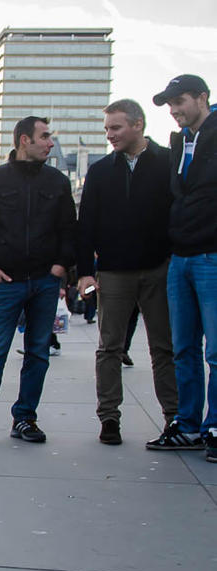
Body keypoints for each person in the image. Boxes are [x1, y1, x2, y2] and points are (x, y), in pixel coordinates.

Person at [0, 116, 76, 446]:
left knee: (38, 353)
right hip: (7, 281)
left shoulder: (57, 182)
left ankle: (25, 418)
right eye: (44, 136)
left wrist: (61, 267)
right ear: (24, 140)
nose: (50, 143)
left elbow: (70, 230)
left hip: (45, 282)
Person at [76, 98, 177, 446]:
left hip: (160, 268)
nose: (110, 135)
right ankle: (109, 418)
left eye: (115, 128)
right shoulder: (102, 170)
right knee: (109, 348)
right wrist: (86, 272)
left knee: (164, 347)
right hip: (114, 272)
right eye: (106, 129)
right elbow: (85, 224)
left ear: (138, 124)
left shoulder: (167, 162)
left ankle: (174, 418)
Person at [146, 75, 217, 462]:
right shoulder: (180, 142)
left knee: (216, 351)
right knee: (183, 348)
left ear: (202, 98)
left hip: (211, 255)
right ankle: (188, 425)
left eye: (179, 102)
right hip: (181, 257)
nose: (173, 111)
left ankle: (215, 426)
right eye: (169, 105)